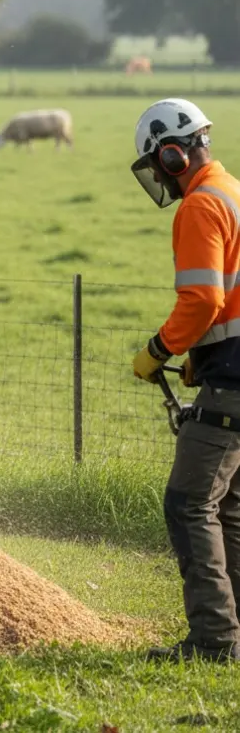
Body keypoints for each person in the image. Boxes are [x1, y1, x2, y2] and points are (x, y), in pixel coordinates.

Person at [130, 97, 240, 662]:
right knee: (228, 510)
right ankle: (233, 631)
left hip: (233, 388)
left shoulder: (200, 205)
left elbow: (202, 299)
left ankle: (216, 641)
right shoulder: (234, 191)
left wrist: (158, 351)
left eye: (159, 166)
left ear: (173, 154)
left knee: (189, 503)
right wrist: (203, 355)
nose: (162, 181)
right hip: (231, 373)